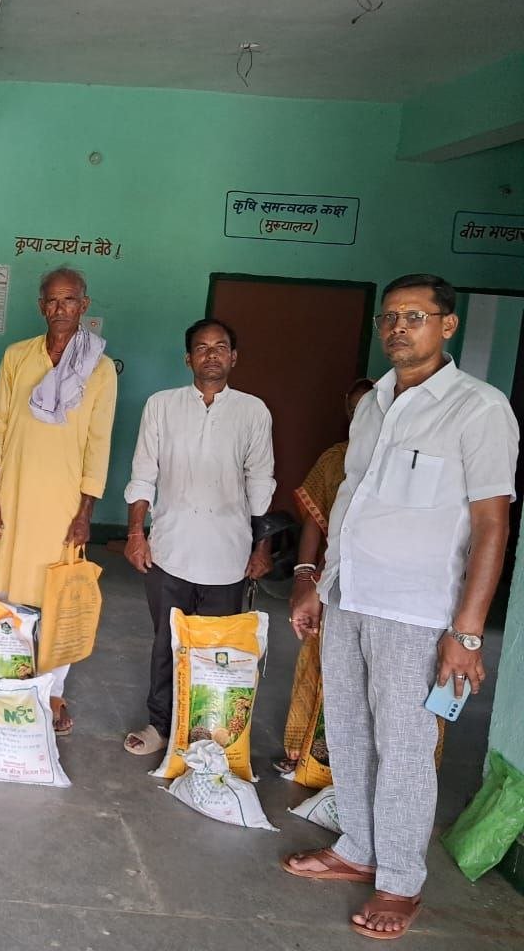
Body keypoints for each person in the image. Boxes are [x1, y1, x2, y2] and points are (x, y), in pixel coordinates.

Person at [285, 274, 519, 940]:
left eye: (414, 317)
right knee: (351, 736)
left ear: (447, 326)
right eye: (390, 317)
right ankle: (356, 847)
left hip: (417, 612)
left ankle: (400, 882)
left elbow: (492, 526)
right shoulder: (374, 402)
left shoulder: (479, 408)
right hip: (349, 597)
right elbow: (352, 504)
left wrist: (468, 632)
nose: (397, 328)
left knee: (406, 747)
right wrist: (318, 583)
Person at [0, 266, 118, 736]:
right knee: (7, 595)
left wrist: (85, 513)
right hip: (12, 496)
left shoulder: (98, 369)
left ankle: (51, 692)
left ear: (84, 305)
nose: (60, 310)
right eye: (52, 302)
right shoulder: (17, 357)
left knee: (57, 603)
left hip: (61, 506)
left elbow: (99, 444)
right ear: (41, 307)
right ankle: (4, 684)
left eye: (69, 301)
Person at [123, 317, 275, 756]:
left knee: (217, 652)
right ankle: (160, 725)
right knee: (168, 645)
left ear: (233, 357)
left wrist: (261, 546)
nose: (211, 354)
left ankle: (208, 737)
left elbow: (260, 482)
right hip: (169, 549)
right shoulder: (162, 405)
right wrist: (137, 533)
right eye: (202, 348)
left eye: (220, 347)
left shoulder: (252, 411)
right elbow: (143, 474)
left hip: (229, 554)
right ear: (188, 358)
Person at [276, 377, 374, 774]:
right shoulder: (336, 459)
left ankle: (354, 768)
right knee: (319, 661)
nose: (361, 417)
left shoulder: (396, 462)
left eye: (370, 409)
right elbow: (314, 521)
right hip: (332, 579)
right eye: (355, 410)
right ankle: (305, 752)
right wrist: (304, 576)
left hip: (379, 587)